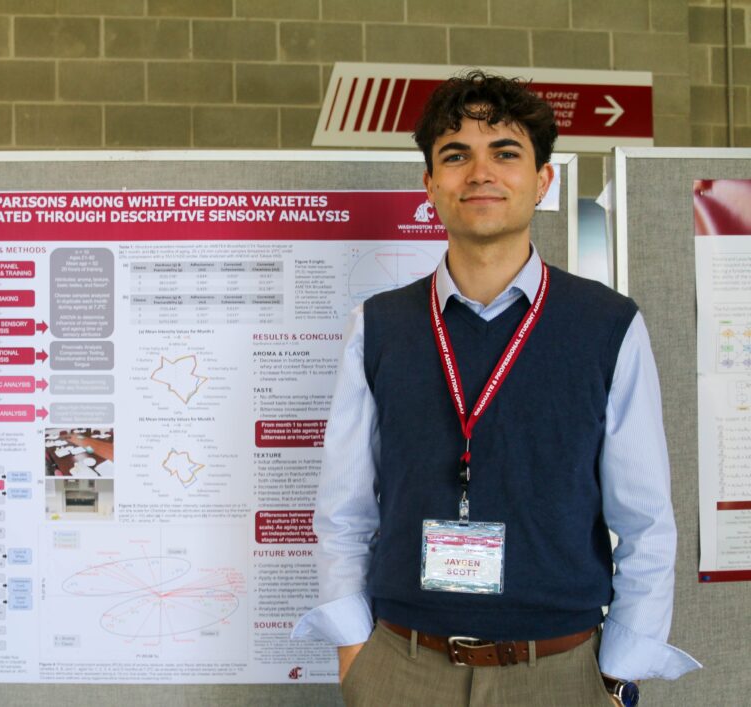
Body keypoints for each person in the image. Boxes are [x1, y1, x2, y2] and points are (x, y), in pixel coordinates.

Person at [293, 71, 700, 706]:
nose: (480, 172)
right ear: (430, 185)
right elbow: (343, 511)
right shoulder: (378, 325)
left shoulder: (608, 324)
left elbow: (646, 520)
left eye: (505, 153)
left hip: (561, 670)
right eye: (455, 156)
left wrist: (618, 670)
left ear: (543, 180)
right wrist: (354, 654)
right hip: (403, 665)